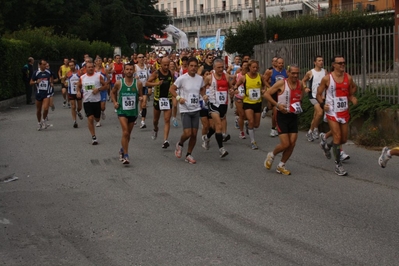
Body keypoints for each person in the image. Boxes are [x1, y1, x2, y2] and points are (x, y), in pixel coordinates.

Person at [316, 55, 357, 176]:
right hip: (332, 111)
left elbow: (352, 88)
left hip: (343, 110)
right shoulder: (327, 79)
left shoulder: (348, 77)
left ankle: (328, 146)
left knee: (343, 139)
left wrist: (351, 96)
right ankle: (338, 165)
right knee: (338, 137)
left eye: (344, 62)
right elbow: (318, 94)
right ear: (334, 65)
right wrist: (323, 104)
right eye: (340, 63)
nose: (342, 65)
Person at [263, 64, 304, 175]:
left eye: (297, 73)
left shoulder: (300, 84)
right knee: (285, 144)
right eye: (293, 73)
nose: (295, 75)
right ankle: (272, 154)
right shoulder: (282, 83)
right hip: (282, 116)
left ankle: (281, 165)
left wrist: (298, 105)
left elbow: (301, 96)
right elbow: (266, 94)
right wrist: (277, 105)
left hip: (293, 116)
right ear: (288, 73)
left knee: (292, 143)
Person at [170, 58, 205, 164]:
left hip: (196, 108)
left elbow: (202, 89)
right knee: (187, 133)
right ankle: (180, 144)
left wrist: (204, 95)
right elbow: (172, 89)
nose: (193, 68)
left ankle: (188, 154)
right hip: (185, 109)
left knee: (194, 134)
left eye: (195, 66)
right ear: (188, 66)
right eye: (191, 66)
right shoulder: (182, 78)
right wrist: (178, 98)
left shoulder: (200, 79)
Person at [111, 63, 143, 164]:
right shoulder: (119, 83)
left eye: (130, 69)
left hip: (133, 111)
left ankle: (122, 149)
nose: (129, 71)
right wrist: (115, 102)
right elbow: (113, 92)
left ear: (133, 71)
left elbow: (140, 95)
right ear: (124, 71)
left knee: (128, 134)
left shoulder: (138, 84)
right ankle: (126, 155)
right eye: (127, 69)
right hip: (122, 111)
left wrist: (141, 98)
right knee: (125, 132)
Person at [202, 58, 232, 158]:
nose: (220, 69)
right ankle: (221, 149)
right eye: (218, 67)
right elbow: (201, 88)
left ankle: (206, 137)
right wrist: (204, 96)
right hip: (213, 104)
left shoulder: (226, 76)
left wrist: (232, 91)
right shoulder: (209, 77)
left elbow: (230, 87)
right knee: (219, 125)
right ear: (214, 68)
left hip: (223, 104)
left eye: (222, 67)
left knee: (215, 127)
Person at [234, 60, 266, 149]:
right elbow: (236, 85)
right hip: (248, 102)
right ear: (249, 67)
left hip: (258, 102)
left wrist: (264, 89)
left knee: (256, 124)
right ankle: (253, 142)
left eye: (256, 67)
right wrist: (235, 89)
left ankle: (249, 127)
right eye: (253, 67)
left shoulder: (260, 76)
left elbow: (264, 85)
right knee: (251, 120)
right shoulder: (244, 77)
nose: (255, 69)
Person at [76, 60, 108, 145]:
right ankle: (94, 137)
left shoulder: (98, 76)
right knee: (90, 118)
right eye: (89, 67)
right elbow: (78, 86)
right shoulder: (82, 78)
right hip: (87, 101)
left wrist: (98, 89)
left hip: (96, 101)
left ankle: (100, 114)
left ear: (94, 68)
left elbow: (106, 86)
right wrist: (78, 92)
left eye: (92, 67)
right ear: (85, 68)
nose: (90, 68)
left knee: (97, 118)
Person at [147, 57, 174, 148]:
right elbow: (147, 83)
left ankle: (165, 140)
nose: (166, 67)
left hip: (167, 99)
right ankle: (155, 129)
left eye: (168, 65)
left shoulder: (171, 73)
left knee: (167, 120)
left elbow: (174, 83)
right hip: (158, 99)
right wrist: (156, 84)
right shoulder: (156, 73)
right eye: (164, 65)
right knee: (155, 120)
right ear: (161, 64)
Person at [302, 55, 327, 142]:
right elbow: (303, 80)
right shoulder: (310, 72)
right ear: (314, 62)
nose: (321, 62)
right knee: (320, 113)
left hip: (322, 96)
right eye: (319, 60)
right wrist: (305, 88)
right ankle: (316, 128)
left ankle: (310, 132)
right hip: (312, 95)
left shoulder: (325, 72)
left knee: (316, 116)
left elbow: (327, 83)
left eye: (322, 60)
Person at [263, 57, 288, 137]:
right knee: (275, 112)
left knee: (283, 111)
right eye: (279, 63)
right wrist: (269, 87)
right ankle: (273, 129)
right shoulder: (271, 72)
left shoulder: (286, 72)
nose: (281, 65)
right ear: (276, 64)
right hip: (274, 94)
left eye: (282, 63)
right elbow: (264, 80)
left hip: (282, 93)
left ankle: (281, 127)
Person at [30, 59, 54, 130]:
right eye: (43, 64)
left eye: (45, 64)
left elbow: (52, 77)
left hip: (46, 93)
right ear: (40, 65)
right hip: (38, 93)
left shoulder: (48, 72)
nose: (45, 66)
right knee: (38, 110)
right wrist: (35, 82)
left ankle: (43, 121)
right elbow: (30, 82)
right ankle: (39, 123)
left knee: (46, 108)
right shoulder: (36, 73)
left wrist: (51, 83)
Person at [233, 60, 249, 139]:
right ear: (241, 66)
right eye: (244, 65)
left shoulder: (250, 76)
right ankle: (241, 132)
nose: (245, 66)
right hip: (239, 97)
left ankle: (246, 123)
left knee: (247, 116)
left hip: (248, 97)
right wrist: (235, 89)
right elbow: (233, 84)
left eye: (247, 65)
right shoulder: (238, 75)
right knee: (241, 114)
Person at [135, 53, 151, 129]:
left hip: (144, 87)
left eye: (142, 57)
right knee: (136, 103)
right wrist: (135, 77)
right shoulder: (135, 67)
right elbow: (129, 75)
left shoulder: (146, 67)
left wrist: (150, 85)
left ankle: (142, 122)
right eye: (139, 57)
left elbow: (148, 77)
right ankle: (134, 116)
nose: (141, 58)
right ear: (137, 59)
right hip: (136, 87)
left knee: (144, 103)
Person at [66, 60, 83, 128]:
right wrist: (65, 83)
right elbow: (63, 80)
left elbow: (83, 80)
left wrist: (79, 83)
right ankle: (74, 121)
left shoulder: (79, 72)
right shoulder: (68, 73)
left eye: (72, 65)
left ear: (75, 65)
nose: (71, 67)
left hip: (79, 92)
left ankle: (78, 112)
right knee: (73, 107)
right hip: (71, 92)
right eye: (70, 65)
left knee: (79, 107)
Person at [94, 57, 109, 127]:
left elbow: (109, 79)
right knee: (97, 106)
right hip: (96, 90)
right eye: (98, 61)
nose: (99, 62)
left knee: (102, 107)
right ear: (95, 62)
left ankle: (102, 111)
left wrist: (106, 83)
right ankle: (98, 121)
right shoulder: (93, 70)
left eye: (100, 61)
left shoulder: (104, 70)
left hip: (103, 90)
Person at [169, 61, 180, 127]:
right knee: (169, 106)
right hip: (167, 90)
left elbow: (177, 81)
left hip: (174, 90)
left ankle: (174, 118)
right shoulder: (166, 73)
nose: (172, 65)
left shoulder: (176, 73)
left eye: (173, 64)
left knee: (175, 105)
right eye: (171, 64)